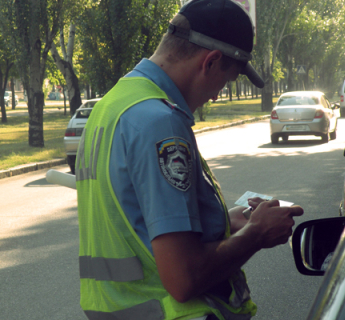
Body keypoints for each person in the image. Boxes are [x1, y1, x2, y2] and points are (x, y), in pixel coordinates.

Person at [75, 1, 304, 319]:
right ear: (210, 62)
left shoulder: (113, 106)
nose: (216, 95)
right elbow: (183, 278)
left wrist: (223, 223)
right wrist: (255, 235)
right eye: (227, 81)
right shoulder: (160, 122)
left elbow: (134, 217)